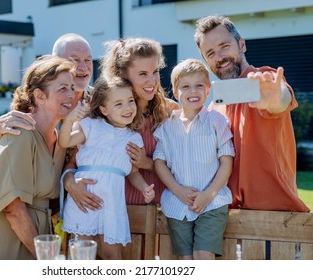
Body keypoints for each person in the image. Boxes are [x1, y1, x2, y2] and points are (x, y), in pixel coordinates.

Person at [194, 15, 309, 212]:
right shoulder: (214, 107)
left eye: (224, 46)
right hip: (229, 223)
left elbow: (281, 100)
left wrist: (274, 100)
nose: (220, 57)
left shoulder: (265, 82)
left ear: (242, 44)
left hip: (275, 220)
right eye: (211, 53)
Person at [0, 56, 76, 259]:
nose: (71, 94)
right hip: (4, 243)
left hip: (36, 241)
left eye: (72, 87)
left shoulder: (60, 139)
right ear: (40, 96)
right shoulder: (20, 132)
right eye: (63, 88)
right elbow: (14, 211)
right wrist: (45, 258)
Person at [0, 33, 104, 213]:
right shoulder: (35, 102)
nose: (83, 67)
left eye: (88, 60)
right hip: (34, 207)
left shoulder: (101, 103)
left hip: (90, 202)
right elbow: (5, 163)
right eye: (75, 60)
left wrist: (68, 178)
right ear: (55, 63)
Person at [58, 77, 155, 259]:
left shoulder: (133, 139)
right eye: (118, 104)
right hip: (84, 199)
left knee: (112, 256)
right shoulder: (91, 127)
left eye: (130, 101)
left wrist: (144, 188)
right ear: (104, 109)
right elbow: (65, 141)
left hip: (111, 203)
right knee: (81, 254)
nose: (127, 108)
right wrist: (70, 120)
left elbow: (133, 173)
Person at [153, 58, 235, 260]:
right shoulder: (167, 126)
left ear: (208, 90)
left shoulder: (216, 121)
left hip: (212, 203)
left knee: (203, 258)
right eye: (186, 87)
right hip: (177, 204)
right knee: (186, 260)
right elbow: (159, 162)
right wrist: (177, 190)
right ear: (175, 91)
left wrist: (209, 194)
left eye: (199, 86)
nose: (193, 91)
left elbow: (226, 161)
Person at [99, 37, 180, 205]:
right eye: (143, 74)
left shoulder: (172, 111)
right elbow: (80, 162)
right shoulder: (105, 115)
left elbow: (188, 166)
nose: (152, 81)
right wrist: (70, 183)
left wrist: (148, 163)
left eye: (155, 72)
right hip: (117, 212)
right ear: (122, 74)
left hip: (162, 215)